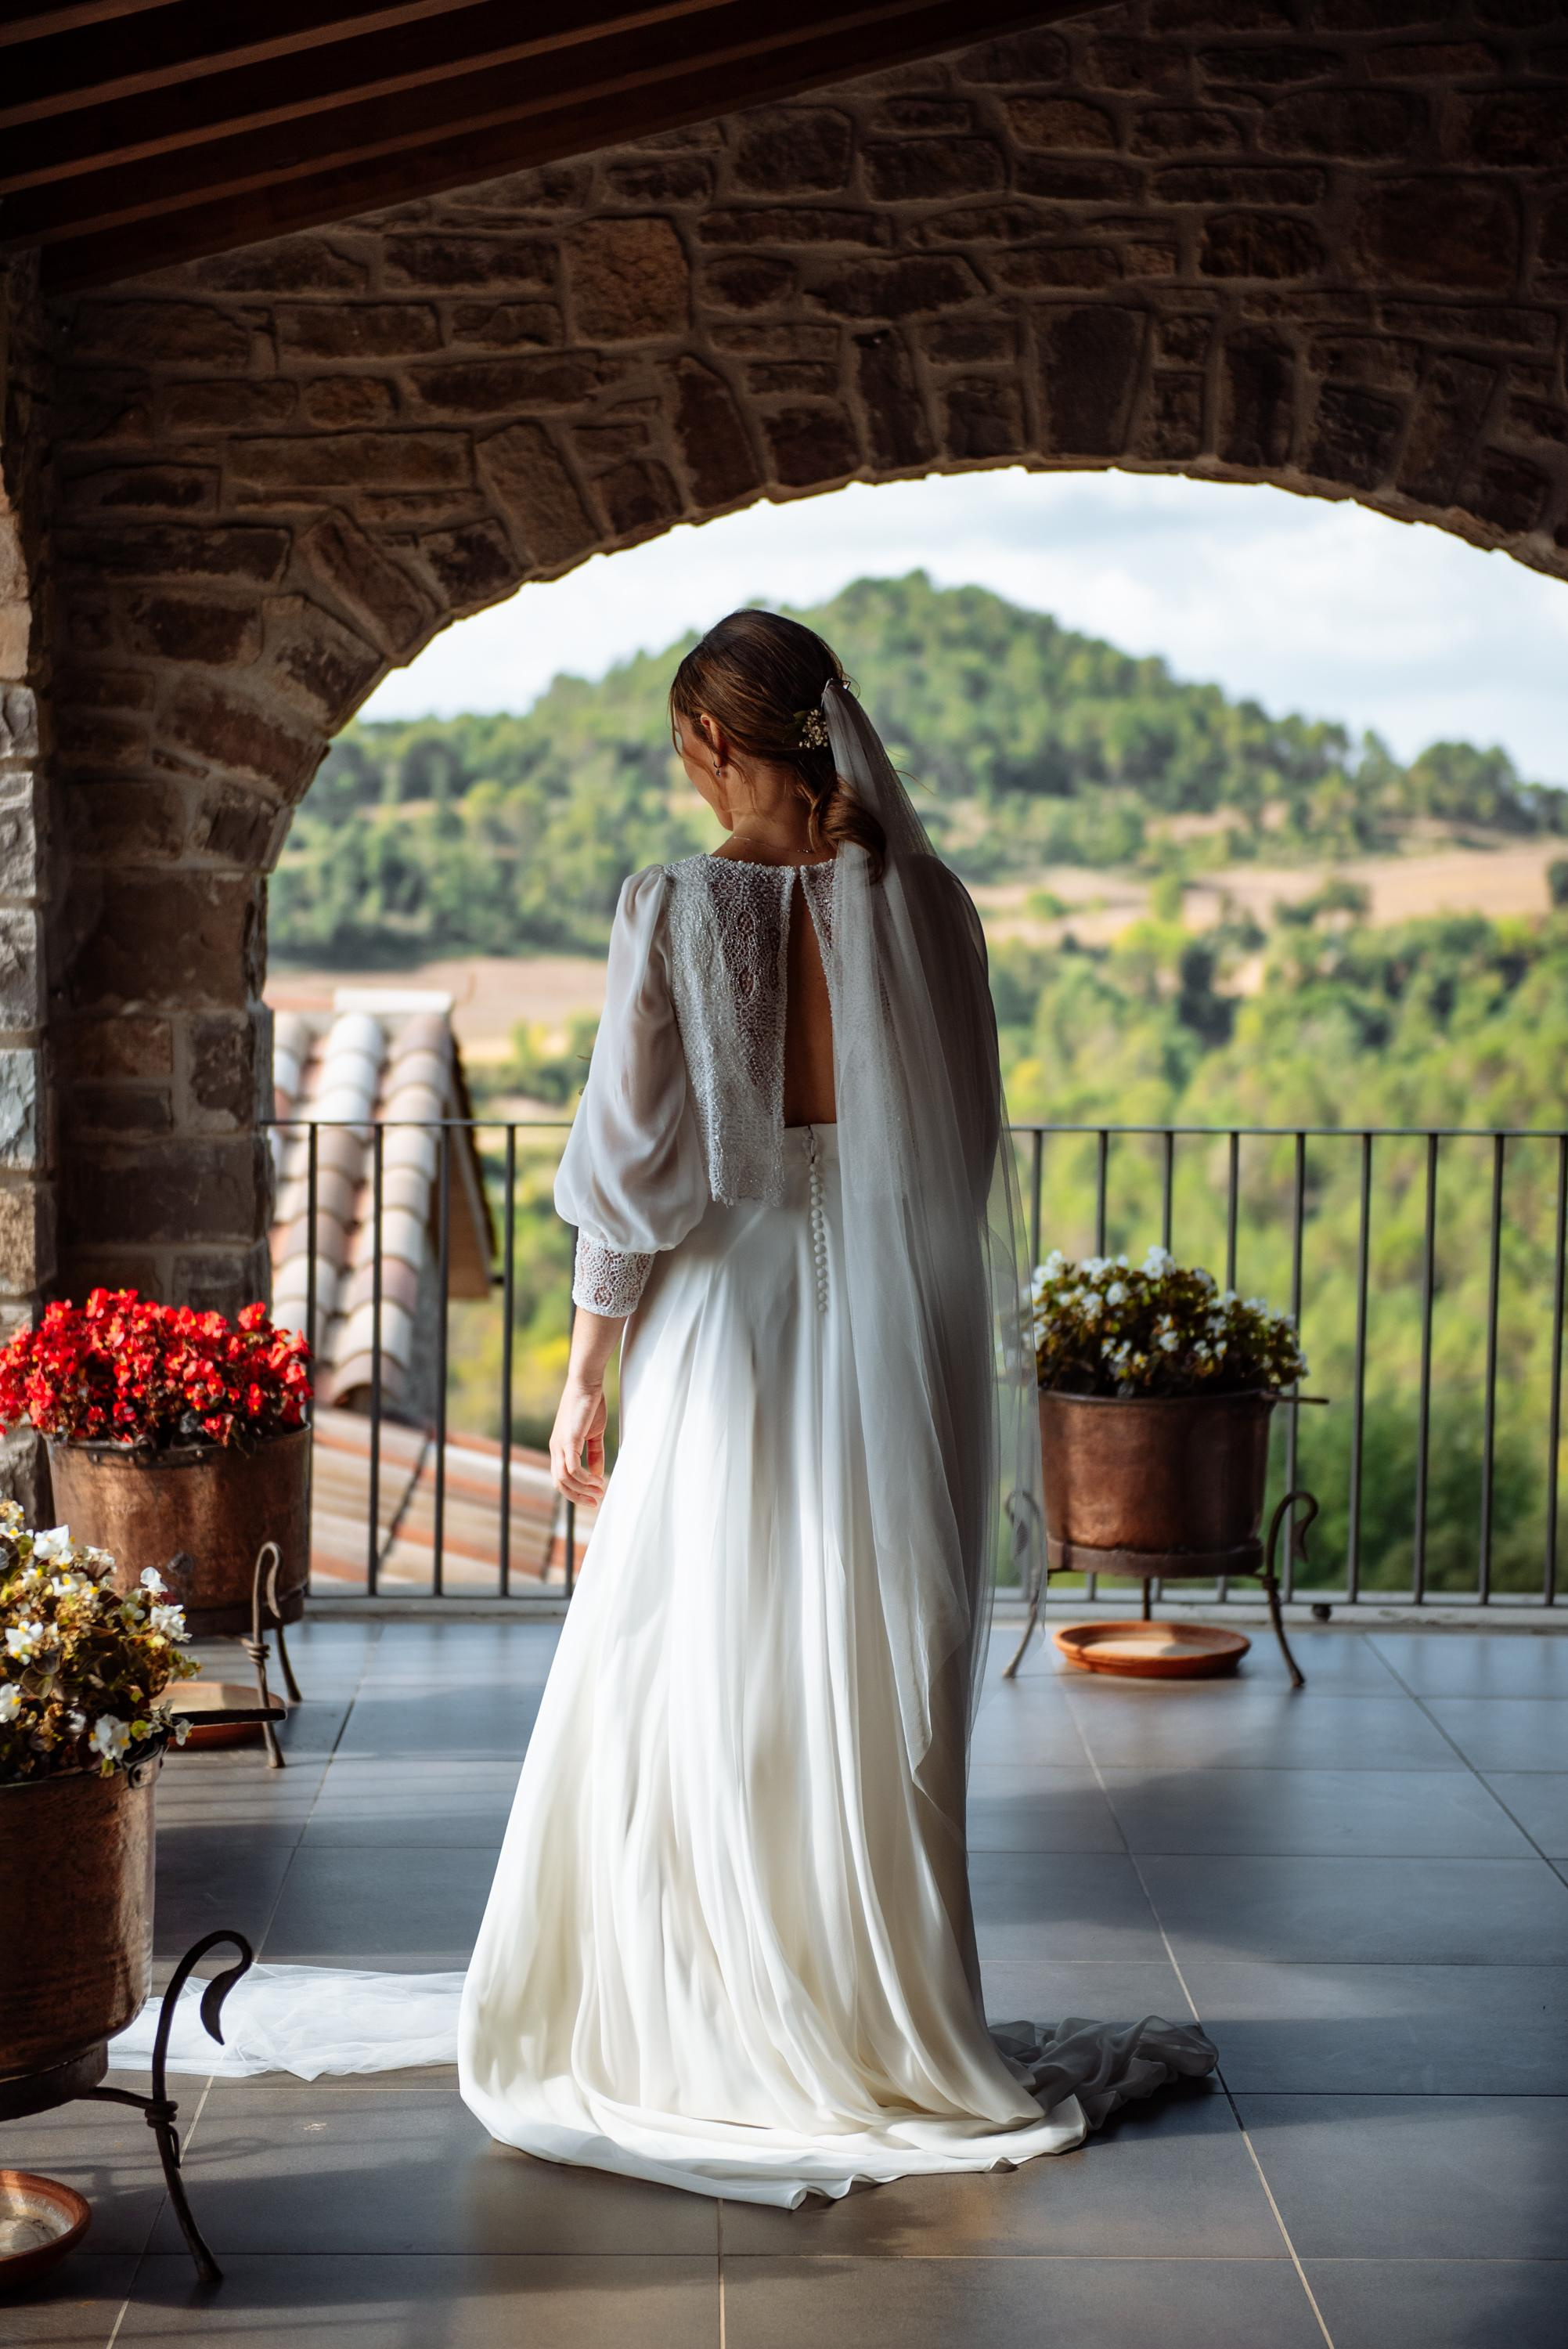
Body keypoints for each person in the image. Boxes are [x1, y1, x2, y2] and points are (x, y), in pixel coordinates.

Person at [114, 610, 1214, 2206]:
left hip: (729, 1324)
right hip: (884, 1338)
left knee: (701, 1649)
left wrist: (580, 1378)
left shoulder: (677, 906)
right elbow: (958, 1157)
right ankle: (865, 2005)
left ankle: (700, 2006)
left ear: (711, 745)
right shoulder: (928, 907)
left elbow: (633, 1180)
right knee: (858, 1661)